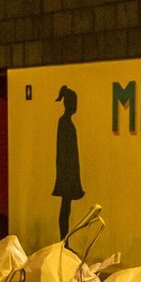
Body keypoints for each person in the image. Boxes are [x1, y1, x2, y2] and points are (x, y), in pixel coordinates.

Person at [52, 86, 85, 239]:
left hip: (68, 172)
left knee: (66, 208)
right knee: (65, 208)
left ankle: (64, 240)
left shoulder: (65, 122)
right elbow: (66, 152)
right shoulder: (64, 123)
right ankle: (63, 241)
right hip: (67, 173)